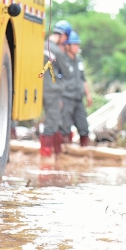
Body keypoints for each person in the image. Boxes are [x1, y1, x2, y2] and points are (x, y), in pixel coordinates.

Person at [41, 20, 76, 157]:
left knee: (52, 121)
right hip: (52, 91)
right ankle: (47, 158)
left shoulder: (42, 46)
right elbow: (67, 72)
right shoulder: (57, 51)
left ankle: (51, 156)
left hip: (40, 89)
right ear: (64, 36)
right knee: (52, 122)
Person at [61, 31, 92, 147]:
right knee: (65, 126)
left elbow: (83, 79)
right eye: (74, 44)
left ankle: (85, 149)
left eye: (78, 44)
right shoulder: (62, 60)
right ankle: (65, 149)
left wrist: (88, 95)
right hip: (66, 98)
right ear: (67, 45)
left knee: (83, 125)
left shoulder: (79, 60)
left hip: (78, 98)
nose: (77, 47)